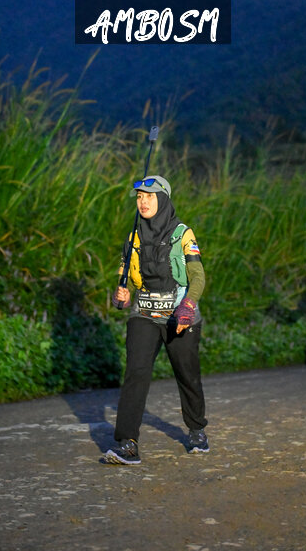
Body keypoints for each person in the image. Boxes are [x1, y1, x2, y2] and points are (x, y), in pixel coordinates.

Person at [105, 174, 208, 465]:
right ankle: (128, 443)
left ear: (163, 199)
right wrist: (120, 297)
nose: (143, 202)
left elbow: (198, 275)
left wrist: (188, 305)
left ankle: (197, 430)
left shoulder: (183, 233)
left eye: (149, 196)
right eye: (139, 197)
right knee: (136, 372)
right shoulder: (133, 237)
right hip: (144, 313)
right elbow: (124, 283)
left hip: (179, 313)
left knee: (187, 374)